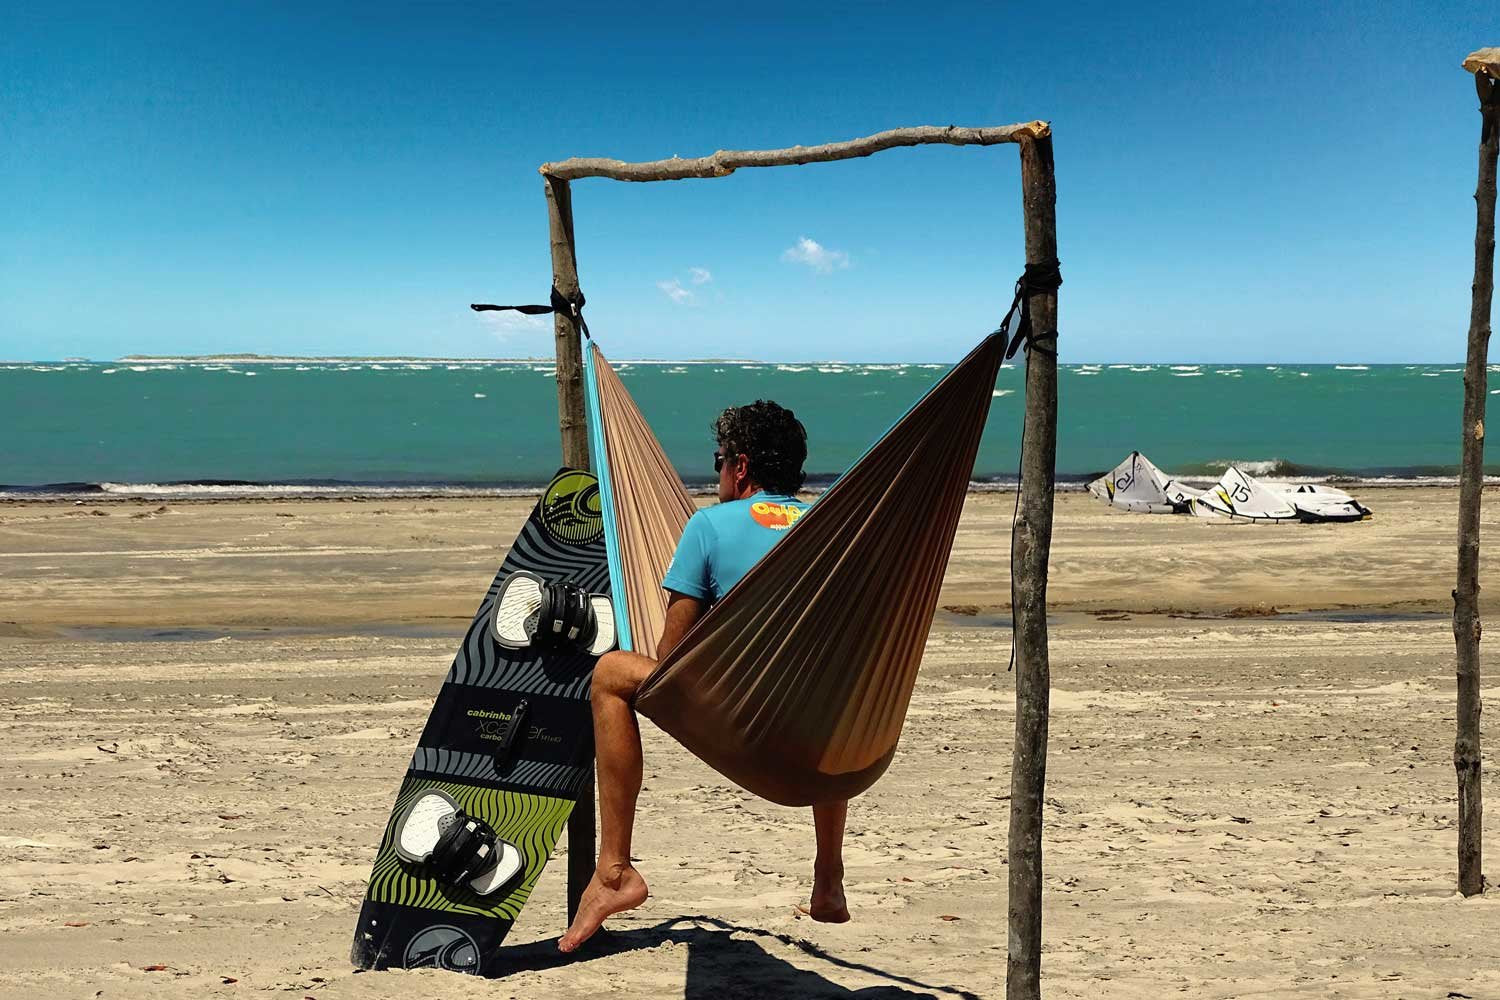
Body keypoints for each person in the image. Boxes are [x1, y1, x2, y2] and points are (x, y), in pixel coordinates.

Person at [559, 400, 849, 953]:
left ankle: (615, 870)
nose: (717, 473)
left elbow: (670, 658)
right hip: (828, 749)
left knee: (612, 673)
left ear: (740, 467)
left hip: (745, 730)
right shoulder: (833, 530)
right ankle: (828, 875)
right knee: (828, 686)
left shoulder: (709, 526)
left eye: (719, 461)